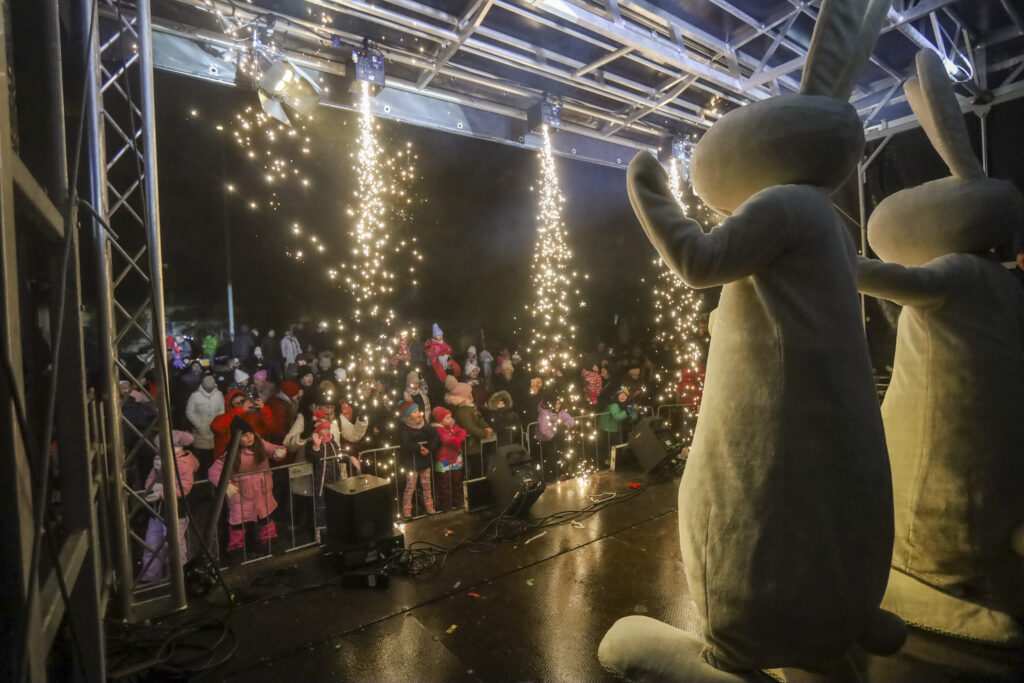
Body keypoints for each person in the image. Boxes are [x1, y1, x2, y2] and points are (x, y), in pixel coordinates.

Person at [208, 416, 287, 557]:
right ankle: (236, 549)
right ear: (237, 437)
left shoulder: (259, 443)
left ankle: (270, 542)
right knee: (239, 524)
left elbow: (275, 449)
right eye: (244, 435)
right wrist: (226, 485)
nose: (249, 437)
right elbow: (214, 471)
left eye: (250, 433)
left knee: (266, 518)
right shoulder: (232, 453)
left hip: (262, 492)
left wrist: (279, 452)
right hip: (240, 496)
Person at [139, 430, 200, 582]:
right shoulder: (159, 461)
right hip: (157, 511)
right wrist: (151, 488)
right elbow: (150, 479)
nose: (157, 449)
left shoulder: (183, 464)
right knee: (152, 544)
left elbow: (183, 489)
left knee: (176, 546)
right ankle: (151, 578)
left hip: (175, 512)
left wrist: (161, 493)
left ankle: (179, 578)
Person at [306, 411, 346, 540]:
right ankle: (320, 535)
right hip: (321, 483)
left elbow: (338, 456)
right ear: (318, 432)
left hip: (335, 480)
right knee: (321, 508)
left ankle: (336, 530)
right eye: (324, 429)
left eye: (328, 429)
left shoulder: (332, 443)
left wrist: (350, 459)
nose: (328, 431)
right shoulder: (313, 444)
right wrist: (316, 447)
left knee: (335, 505)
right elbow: (312, 458)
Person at [398, 401, 439, 518]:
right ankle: (407, 509)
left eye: (417, 411)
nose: (418, 414)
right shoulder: (405, 428)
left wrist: (429, 449)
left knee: (427, 485)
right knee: (410, 486)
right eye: (414, 412)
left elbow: (435, 436)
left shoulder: (424, 424)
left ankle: (429, 505)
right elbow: (405, 443)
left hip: (424, 461)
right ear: (408, 415)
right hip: (412, 463)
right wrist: (419, 447)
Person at [185, 373, 224, 477]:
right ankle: (200, 480)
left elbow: (221, 410)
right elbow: (189, 412)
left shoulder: (219, 394)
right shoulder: (195, 396)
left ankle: (213, 479)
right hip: (199, 434)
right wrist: (199, 426)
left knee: (213, 460)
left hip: (215, 433)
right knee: (200, 460)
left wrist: (217, 424)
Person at [431, 407, 467, 511]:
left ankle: (457, 499)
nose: (450, 419)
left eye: (450, 417)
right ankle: (445, 502)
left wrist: (458, 438)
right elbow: (445, 438)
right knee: (444, 482)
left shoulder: (454, 427)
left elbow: (463, 432)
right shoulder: (438, 429)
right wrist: (457, 441)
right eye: (447, 418)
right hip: (443, 460)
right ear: (440, 420)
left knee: (456, 480)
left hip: (455, 458)